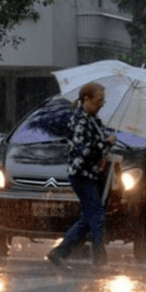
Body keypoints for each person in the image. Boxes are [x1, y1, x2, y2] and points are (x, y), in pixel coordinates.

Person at [46, 81, 117, 268]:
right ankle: (100, 260)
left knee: (88, 218)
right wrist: (106, 144)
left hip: (92, 174)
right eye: (99, 100)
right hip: (81, 175)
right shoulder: (79, 121)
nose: (101, 104)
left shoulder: (93, 120)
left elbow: (94, 148)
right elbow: (83, 151)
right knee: (97, 216)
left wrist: (103, 152)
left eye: (103, 101)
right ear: (87, 99)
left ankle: (59, 252)